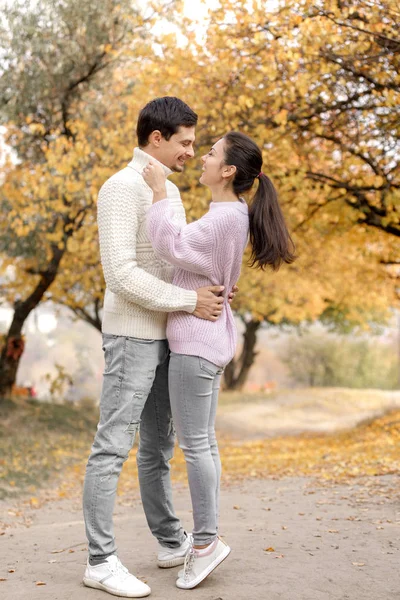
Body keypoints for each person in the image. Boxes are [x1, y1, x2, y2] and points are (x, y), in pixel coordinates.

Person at [82, 97, 238, 598]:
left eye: (197, 144)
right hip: (131, 336)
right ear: (156, 139)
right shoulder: (120, 188)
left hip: (168, 336)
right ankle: (100, 560)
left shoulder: (167, 190)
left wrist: (204, 293)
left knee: (157, 449)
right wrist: (189, 301)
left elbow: (175, 256)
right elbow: (120, 274)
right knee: (112, 447)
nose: (192, 152)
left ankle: (172, 541)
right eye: (186, 142)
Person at [143, 130, 295, 589]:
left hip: (195, 341)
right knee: (201, 444)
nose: (202, 158)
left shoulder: (225, 217)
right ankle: (204, 540)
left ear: (228, 170)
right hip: (204, 338)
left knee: (195, 446)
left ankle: (206, 543)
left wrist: (157, 193)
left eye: (210, 153)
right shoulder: (228, 214)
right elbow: (200, 265)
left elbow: (168, 246)